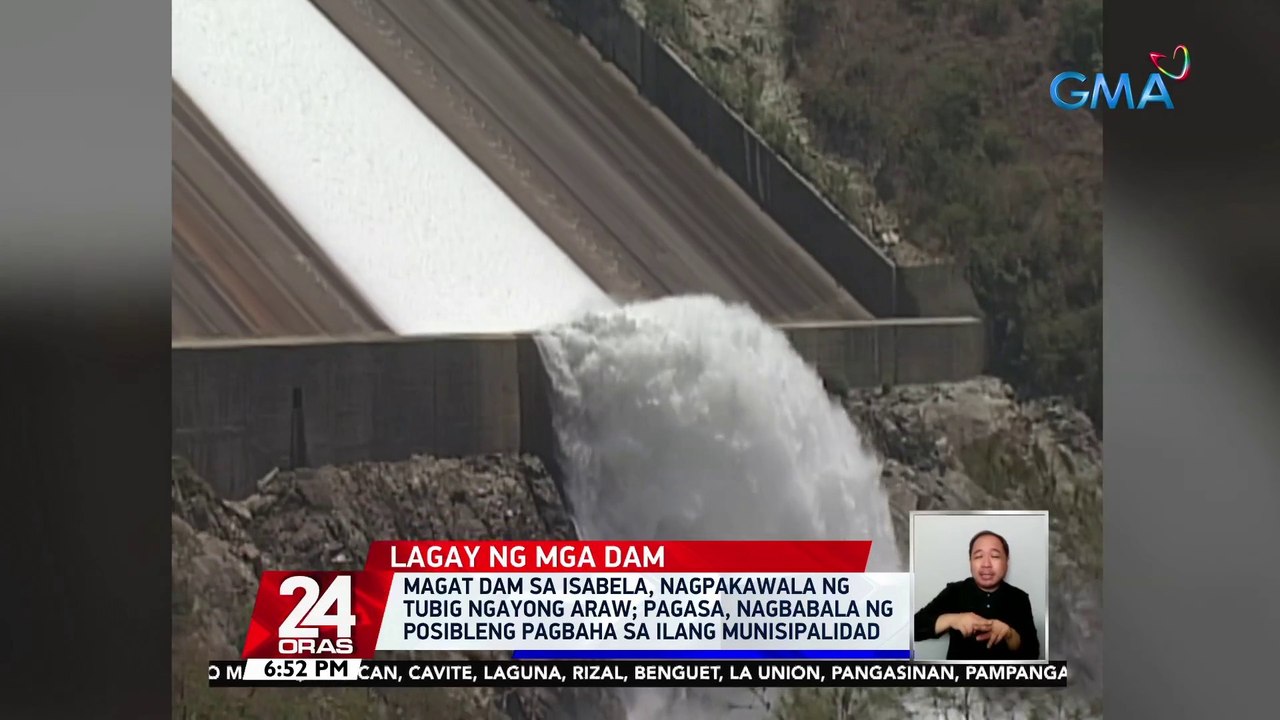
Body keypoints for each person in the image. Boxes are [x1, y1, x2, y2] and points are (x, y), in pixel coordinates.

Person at [913, 530, 1041, 660]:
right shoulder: (955, 591)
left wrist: (1009, 634)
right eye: (978, 557)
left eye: (995, 556)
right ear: (970, 562)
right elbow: (913, 629)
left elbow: (1033, 654)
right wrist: (952, 619)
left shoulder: (1019, 598)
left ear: (1006, 561)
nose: (986, 564)